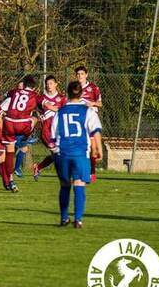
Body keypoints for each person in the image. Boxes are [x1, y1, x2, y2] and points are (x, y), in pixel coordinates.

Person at [51, 81, 103, 228]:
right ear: (81, 93)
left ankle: (64, 218)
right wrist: (98, 149)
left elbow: (53, 136)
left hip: (63, 152)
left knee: (64, 185)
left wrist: (55, 151)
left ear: (67, 93)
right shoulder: (88, 111)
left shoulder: (60, 112)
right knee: (79, 184)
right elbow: (95, 131)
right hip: (80, 153)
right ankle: (78, 219)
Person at [0, 75, 41, 192]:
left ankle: (11, 181)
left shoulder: (14, 92)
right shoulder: (35, 95)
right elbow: (43, 105)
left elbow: (7, 94)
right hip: (22, 125)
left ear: (24, 83)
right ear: (35, 87)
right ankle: (27, 137)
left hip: (8, 124)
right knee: (35, 119)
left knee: (10, 153)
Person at [32, 75, 67, 181]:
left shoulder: (62, 98)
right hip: (46, 131)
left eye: (51, 83)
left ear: (56, 84)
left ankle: (38, 167)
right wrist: (39, 114)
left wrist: (54, 109)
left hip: (59, 131)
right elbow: (36, 109)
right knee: (58, 154)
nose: (49, 86)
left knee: (56, 155)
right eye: (47, 84)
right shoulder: (41, 98)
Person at [75, 66, 102, 183]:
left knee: (92, 148)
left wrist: (92, 103)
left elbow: (100, 104)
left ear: (86, 75)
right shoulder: (74, 88)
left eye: (82, 74)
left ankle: (92, 172)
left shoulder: (93, 88)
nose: (80, 76)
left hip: (90, 119)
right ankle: (80, 171)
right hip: (78, 120)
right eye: (78, 74)